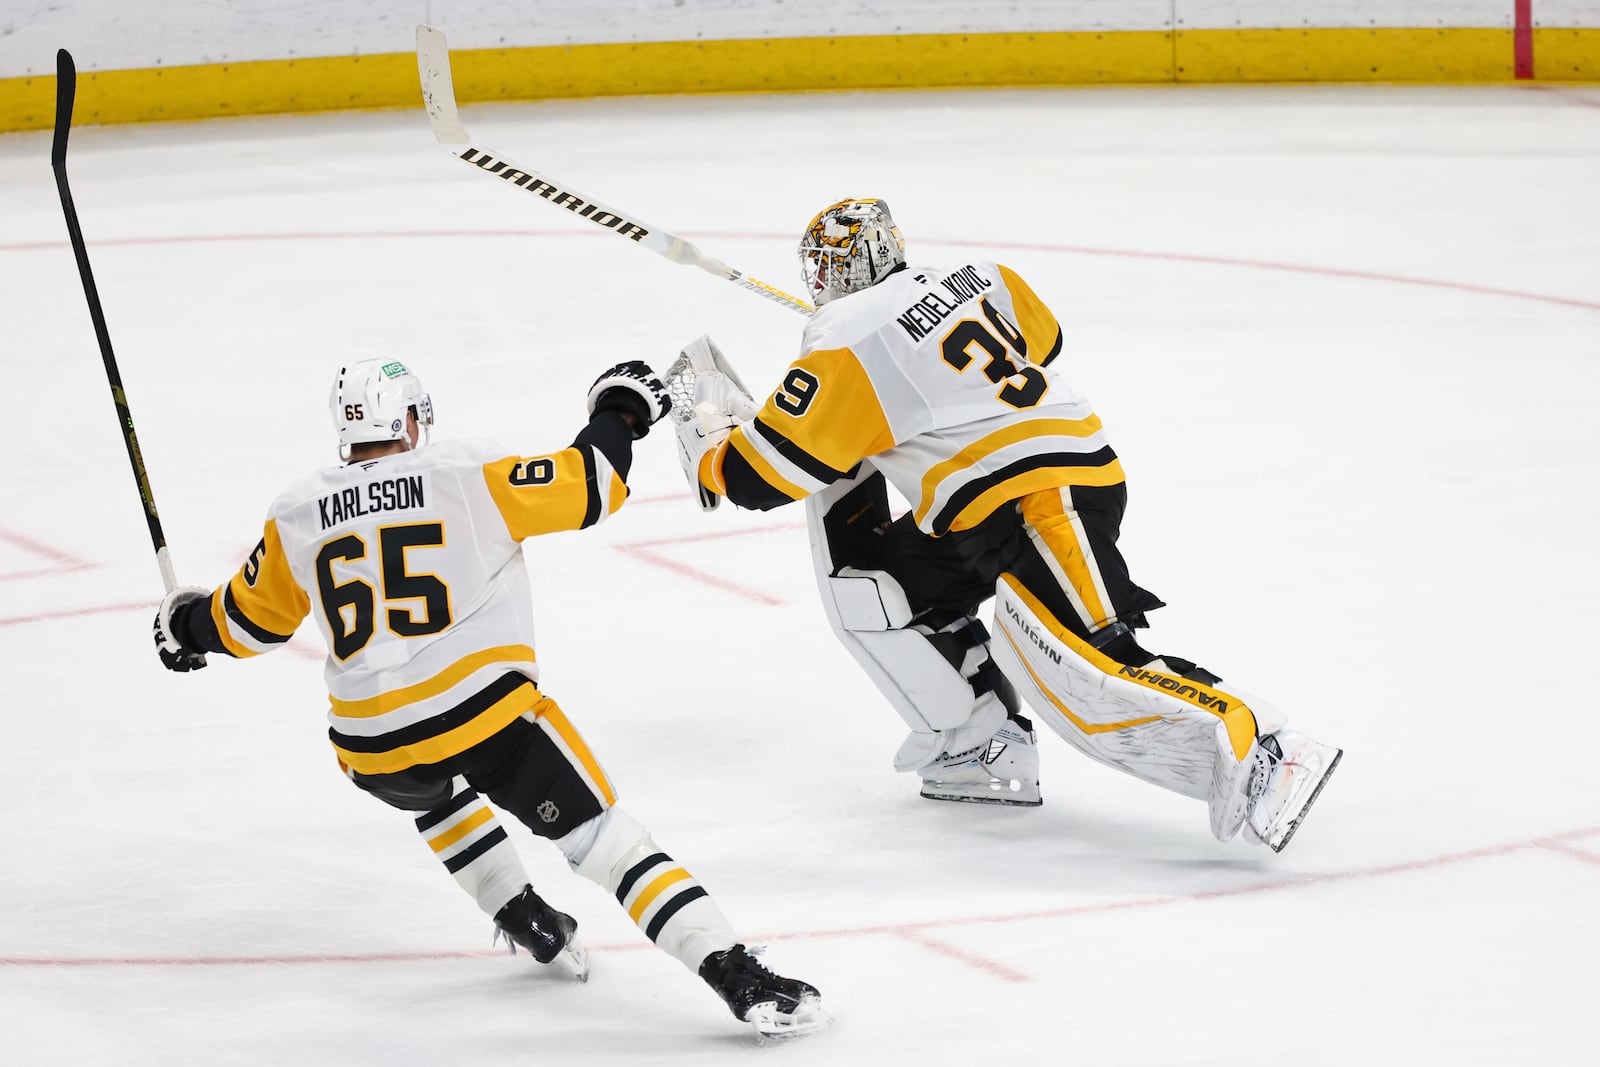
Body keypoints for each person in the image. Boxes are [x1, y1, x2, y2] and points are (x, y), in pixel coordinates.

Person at [151, 357, 828, 1035]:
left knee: (435, 790)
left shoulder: (297, 510)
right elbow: (591, 485)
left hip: (369, 745)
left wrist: (183, 623)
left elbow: (245, 623)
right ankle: (733, 971)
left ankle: (522, 913)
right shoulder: (461, 473)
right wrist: (620, 411)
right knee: (606, 843)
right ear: (410, 418)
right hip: (485, 715)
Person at [668, 198, 1341, 851]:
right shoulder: (981, 276)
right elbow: (1041, 342)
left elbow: (759, 480)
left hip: (1041, 498)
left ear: (829, 272)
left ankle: (1265, 751)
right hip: (987, 509)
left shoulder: (844, 336)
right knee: (875, 587)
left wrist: (710, 428)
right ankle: (977, 747)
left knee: (1096, 665)